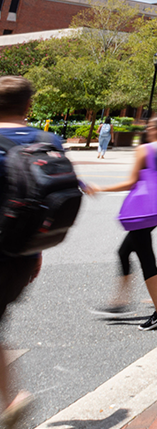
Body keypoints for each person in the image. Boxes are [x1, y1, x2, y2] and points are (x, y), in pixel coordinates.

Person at [0, 77, 63, 426]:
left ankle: (14, 397)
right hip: (25, 253)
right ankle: (12, 398)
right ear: (28, 106)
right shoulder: (48, 140)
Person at [86, 114, 157, 331]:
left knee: (147, 260)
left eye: (151, 126)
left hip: (141, 213)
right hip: (156, 212)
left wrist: (100, 188)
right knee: (123, 252)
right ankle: (120, 302)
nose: (147, 129)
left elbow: (131, 182)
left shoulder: (145, 150)